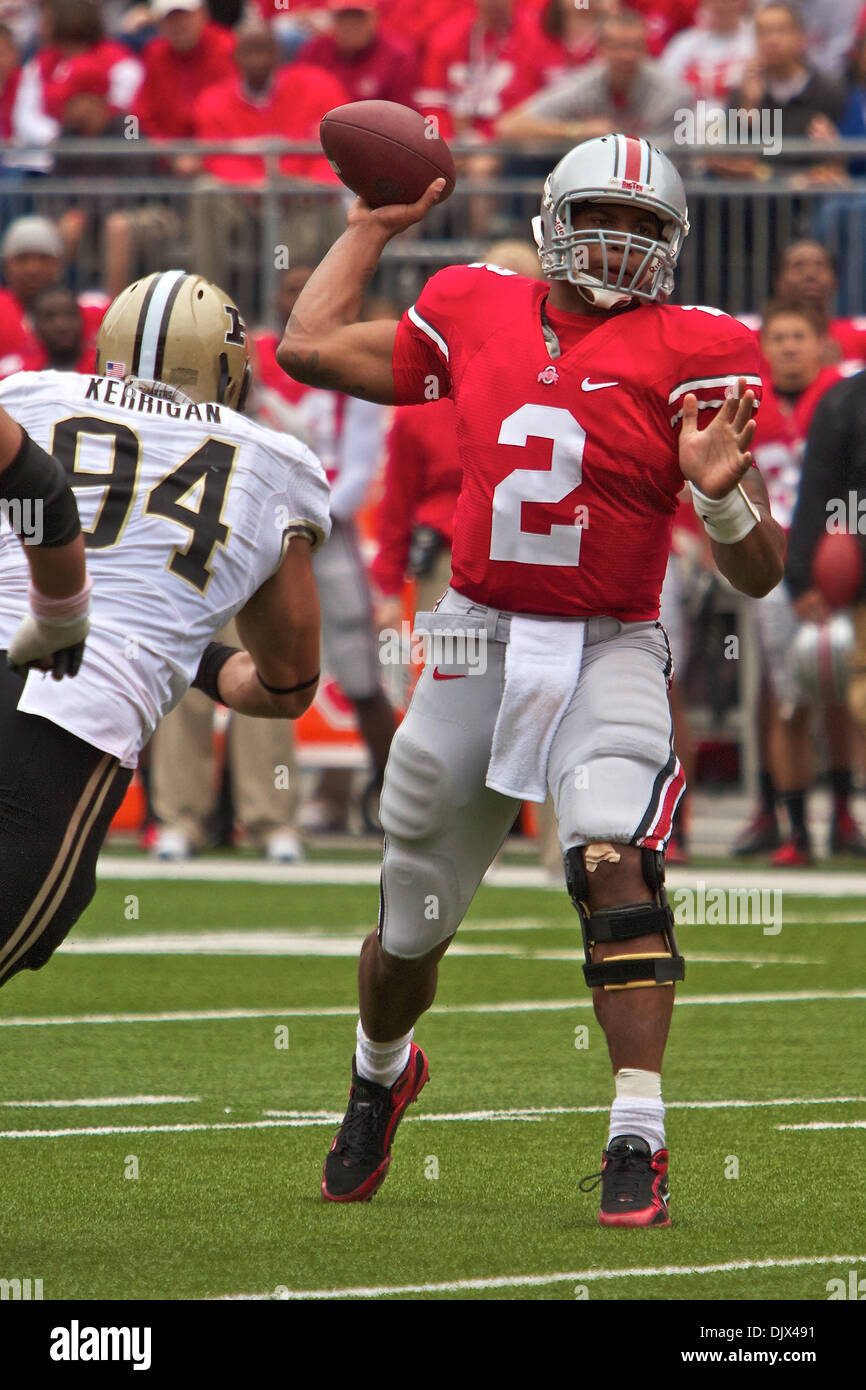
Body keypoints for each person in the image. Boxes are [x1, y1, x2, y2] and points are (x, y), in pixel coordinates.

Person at [278, 132, 785, 1225]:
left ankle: (635, 1132)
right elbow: (307, 347)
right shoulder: (473, 303)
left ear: (676, 246)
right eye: (603, 214)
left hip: (608, 638)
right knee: (412, 915)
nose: (620, 240)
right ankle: (380, 1071)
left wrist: (720, 497)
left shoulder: (700, 348)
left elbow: (758, 573)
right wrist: (368, 225)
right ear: (553, 216)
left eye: (645, 226)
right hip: (474, 637)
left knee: (613, 850)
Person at [0, 269, 330, 983]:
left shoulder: (28, 395)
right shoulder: (271, 462)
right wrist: (190, 654)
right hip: (67, 722)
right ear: (230, 370)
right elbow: (287, 684)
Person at [731, 299, 865, 861]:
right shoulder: (745, 402)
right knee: (791, 698)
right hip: (777, 561)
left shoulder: (839, 397)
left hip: (838, 557)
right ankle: (794, 828)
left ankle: (840, 815)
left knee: (842, 694)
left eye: (798, 337)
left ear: (823, 346)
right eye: (778, 337)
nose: (788, 347)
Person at [497, 9, 694, 148]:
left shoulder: (673, 93)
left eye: (634, 47)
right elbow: (509, 126)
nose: (626, 55)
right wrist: (578, 130)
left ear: (646, 49)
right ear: (601, 49)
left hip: (657, 185)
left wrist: (611, 141)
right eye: (618, 47)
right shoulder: (586, 82)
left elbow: (662, 158)